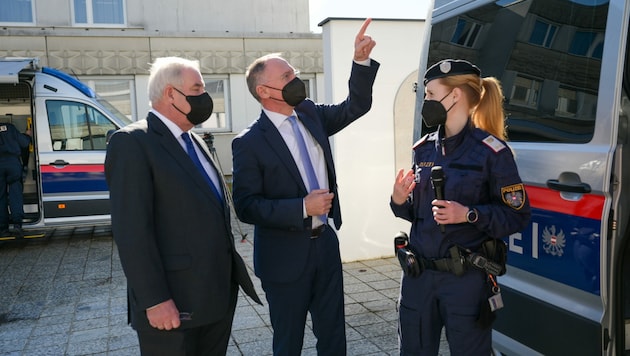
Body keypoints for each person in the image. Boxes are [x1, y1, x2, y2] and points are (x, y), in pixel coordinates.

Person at [231, 18, 378, 355]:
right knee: (289, 342)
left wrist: (360, 62)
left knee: (333, 338)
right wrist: (301, 207)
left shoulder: (311, 113)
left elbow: (356, 106)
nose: (296, 81)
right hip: (283, 258)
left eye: (294, 74)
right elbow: (246, 205)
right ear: (264, 91)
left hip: (325, 246)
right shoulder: (249, 143)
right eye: (287, 78)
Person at [105, 56, 261, 356]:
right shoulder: (132, 143)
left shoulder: (195, 140)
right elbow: (132, 231)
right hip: (172, 306)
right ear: (171, 94)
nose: (206, 96)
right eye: (198, 88)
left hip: (214, 299)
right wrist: (155, 300)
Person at [390, 59, 531, 355]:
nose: (425, 101)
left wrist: (468, 214)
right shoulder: (423, 149)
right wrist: (399, 201)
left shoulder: (492, 152)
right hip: (418, 279)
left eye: (430, 94)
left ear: (454, 96)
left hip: (464, 282)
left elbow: (516, 216)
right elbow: (419, 213)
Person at [0, 122, 31, 237]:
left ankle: (3, 229)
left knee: (1, 197)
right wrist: (28, 135)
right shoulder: (10, 127)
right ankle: (17, 224)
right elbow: (24, 143)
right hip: (13, 164)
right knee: (15, 194)